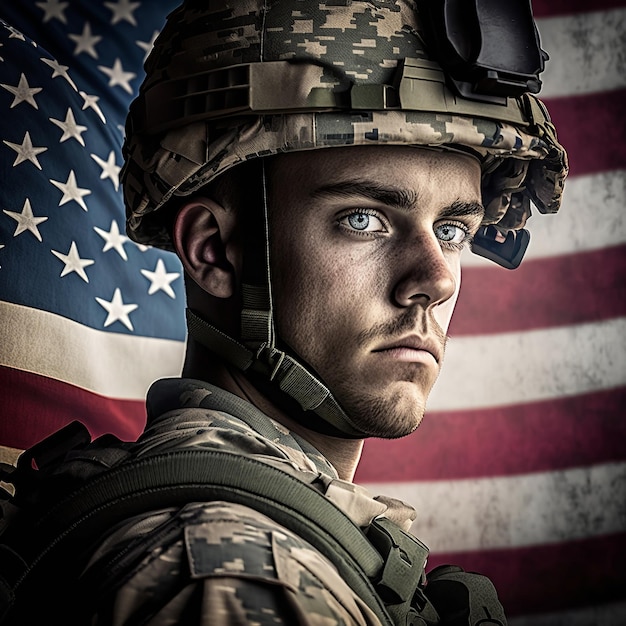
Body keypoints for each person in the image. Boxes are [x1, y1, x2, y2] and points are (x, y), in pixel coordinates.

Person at [1, 0, 568, 624]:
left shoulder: (273, 543)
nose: (434, 279)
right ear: (213, 250)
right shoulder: (238, 579)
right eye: (364, 220)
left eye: (454, 231)